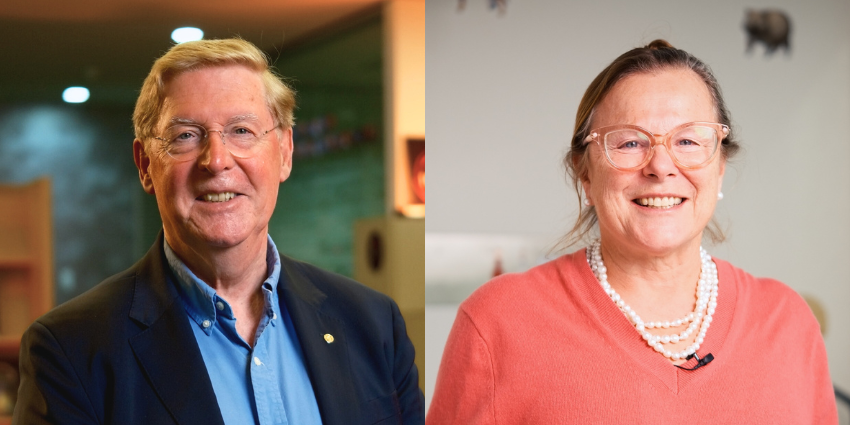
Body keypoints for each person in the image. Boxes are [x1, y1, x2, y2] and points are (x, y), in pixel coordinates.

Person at [13, 38, 424, 425]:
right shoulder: (70, 350)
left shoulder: (372, 323)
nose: (216, 160)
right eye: (186, 136)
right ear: (144, 165)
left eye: (241, 131)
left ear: (285, 152)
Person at [427, 40, 836, 424]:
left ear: (720, 166)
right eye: (628, 144)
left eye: (689, 140)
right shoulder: (497, 323)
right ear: (584, 174)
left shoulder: (788, 322)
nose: (661, 165)